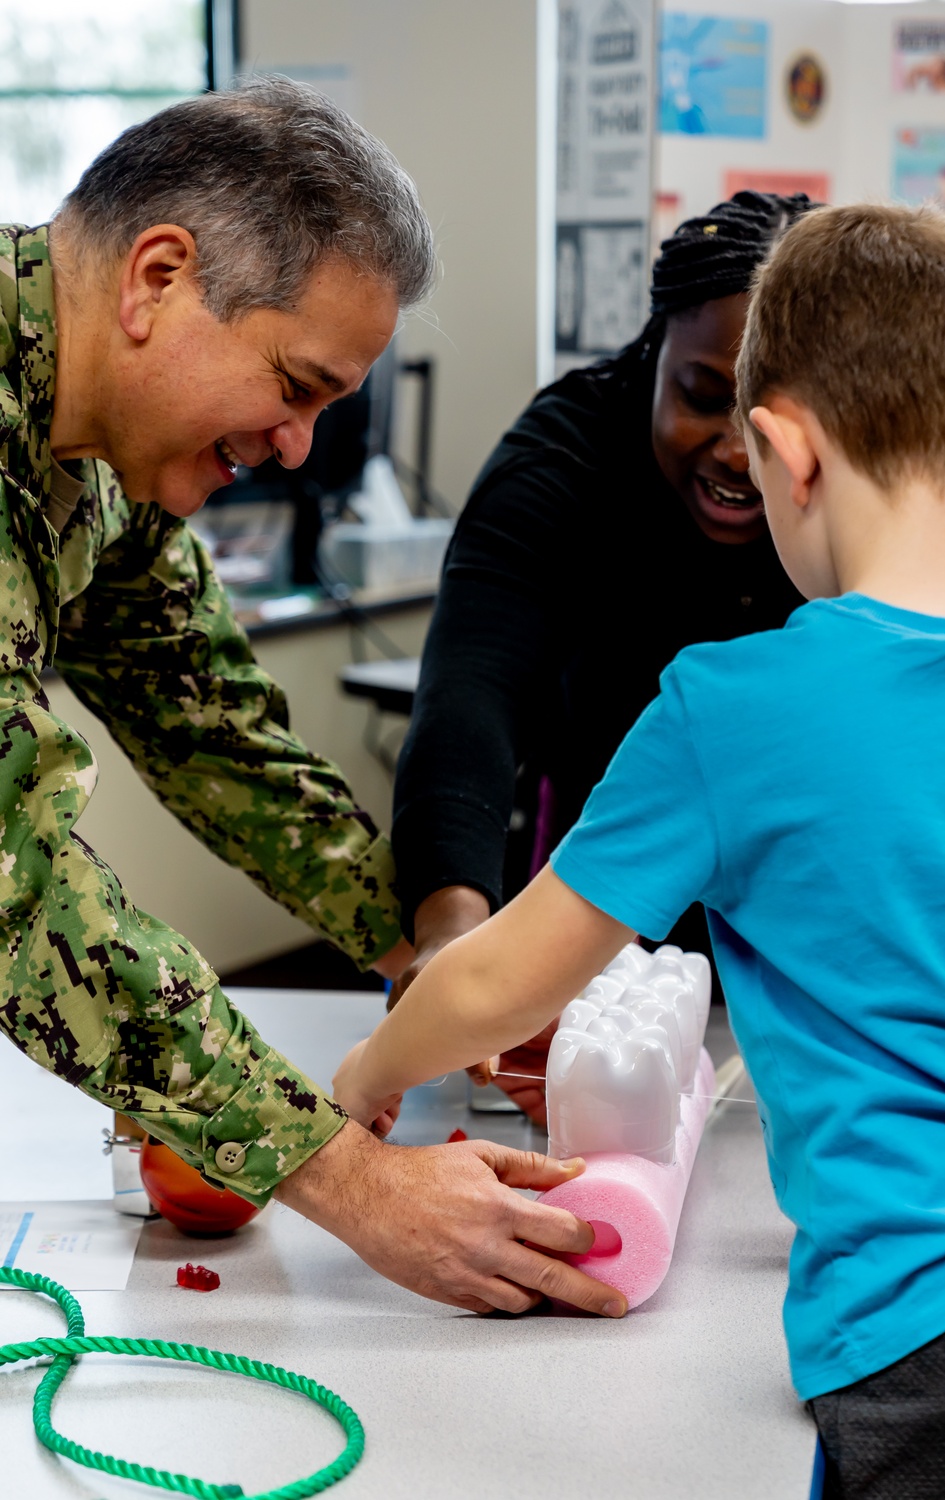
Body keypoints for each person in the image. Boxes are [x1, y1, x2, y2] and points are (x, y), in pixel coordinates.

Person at [334, 202, 945, 1493]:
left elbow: (492, 981)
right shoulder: (564, 464)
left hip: (932, 1326)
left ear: (780, 452)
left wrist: (364, 1076)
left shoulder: (728, 708)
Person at [0, 77, 623, 1321]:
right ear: (157, 278)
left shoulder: (96, 456)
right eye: (295, 385)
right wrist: (349, 1179)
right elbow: (16, 883)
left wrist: (441, 961)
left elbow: (211, 727)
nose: (298, 446)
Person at [390, 191, 816, 1116]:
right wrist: (456, 931)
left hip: (820, 906)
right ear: (656, 347)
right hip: (606, 905)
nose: (740, 456)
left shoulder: (884, 479)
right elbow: (472, 693)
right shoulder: (567, 459)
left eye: (778, 425)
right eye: (704, 397)